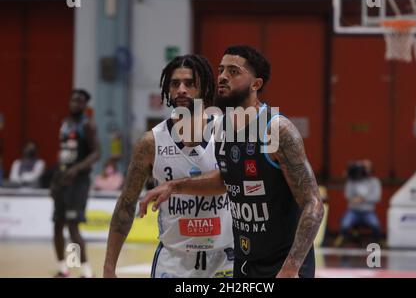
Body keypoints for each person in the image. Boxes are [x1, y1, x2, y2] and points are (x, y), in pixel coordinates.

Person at [139, 45, 324, 278]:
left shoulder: (276, 130)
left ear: (256, 84)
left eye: (233, 71)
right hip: (244, 260)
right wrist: (174, 186)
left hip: (283, 265)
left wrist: (292, 267)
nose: (223, 77)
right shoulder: (224, 126)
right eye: (221, 70)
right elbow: (228, 178)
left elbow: (314, 203)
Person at [103, 55, 234, 278]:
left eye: (190, 83)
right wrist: (109, 267)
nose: (181, 89)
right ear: (167, 89)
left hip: (225, 259)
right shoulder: (150, 143)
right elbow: (126, 204)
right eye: (175, 84)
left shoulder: (227, 131)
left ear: (204, 88)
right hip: (174, 262)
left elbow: (231, 182)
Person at [51, 89, 100, 278]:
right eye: (72, 99)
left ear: (85, 105)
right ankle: (64, 268)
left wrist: (76, 169)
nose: (74, 103)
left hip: (78, 182)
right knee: (57, 224)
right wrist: (56, 179)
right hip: (61, 180)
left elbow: (96, 153)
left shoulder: (87, 125)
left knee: (73, 227)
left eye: (79, 101)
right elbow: (63, 154)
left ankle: (86, 271)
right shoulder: (65, 123)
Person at [334, 159, 382, 247]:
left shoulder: (374, 181)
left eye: (367, 168)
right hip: (353, 211)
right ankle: (343, 239)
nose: (364, 170)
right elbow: (348, 196)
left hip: (368, 211)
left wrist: (362, 199)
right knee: (345, 225)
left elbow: (376, 197)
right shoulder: (352, 180)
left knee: (376, 226)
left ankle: (376, 242)